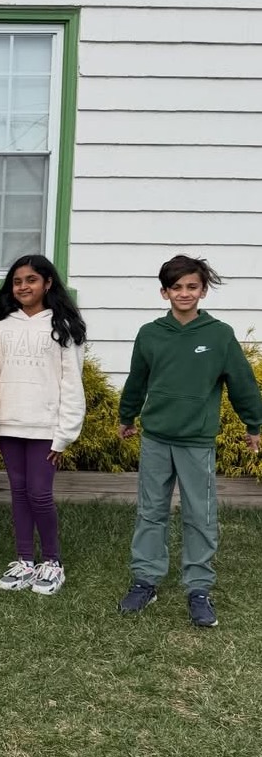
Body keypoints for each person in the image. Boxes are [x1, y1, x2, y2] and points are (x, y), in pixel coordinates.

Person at [117, 255, 262, 627]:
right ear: (164, 292)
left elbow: (242, 383)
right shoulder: (150, 333)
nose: (185, 293)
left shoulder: (218, 335)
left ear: (203, 290)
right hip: (156, 439)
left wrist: (253, 425)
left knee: (201, 515)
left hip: (196, 441)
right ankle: (145, 580)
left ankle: (198, 587)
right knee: (152, 511)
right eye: (176, 287)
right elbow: (137, 380)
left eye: (192, 287)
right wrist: (126, 416)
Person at [0, 254, 86, 596]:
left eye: (31, 280)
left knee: (39, 494)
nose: (23, 286)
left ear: (47, 283)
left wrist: (65, 435)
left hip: (45, 428)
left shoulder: (63, 327)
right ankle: (25, 559)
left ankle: (52, 562)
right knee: (18, 492)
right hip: (9, 424)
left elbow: (72, 383)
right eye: (17, 281)